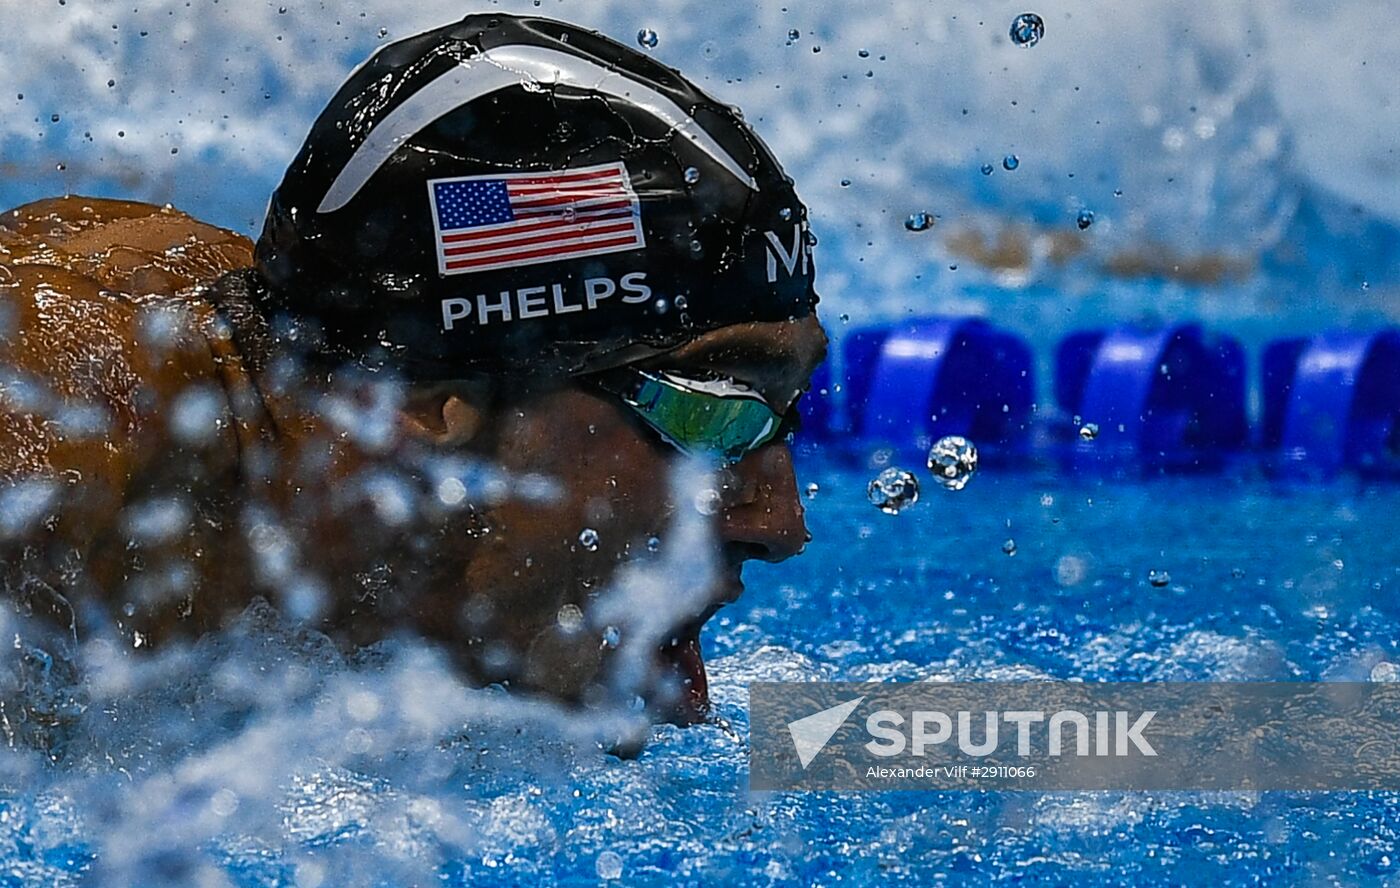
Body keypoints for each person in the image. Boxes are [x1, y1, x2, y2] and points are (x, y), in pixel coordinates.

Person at [0, 13, 825, 736]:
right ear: (427, 401)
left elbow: (832, 751)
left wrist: (884, 753)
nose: (782, 523)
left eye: (784, 414)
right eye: (714, 410)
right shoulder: (47, 469)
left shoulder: (377, 541)